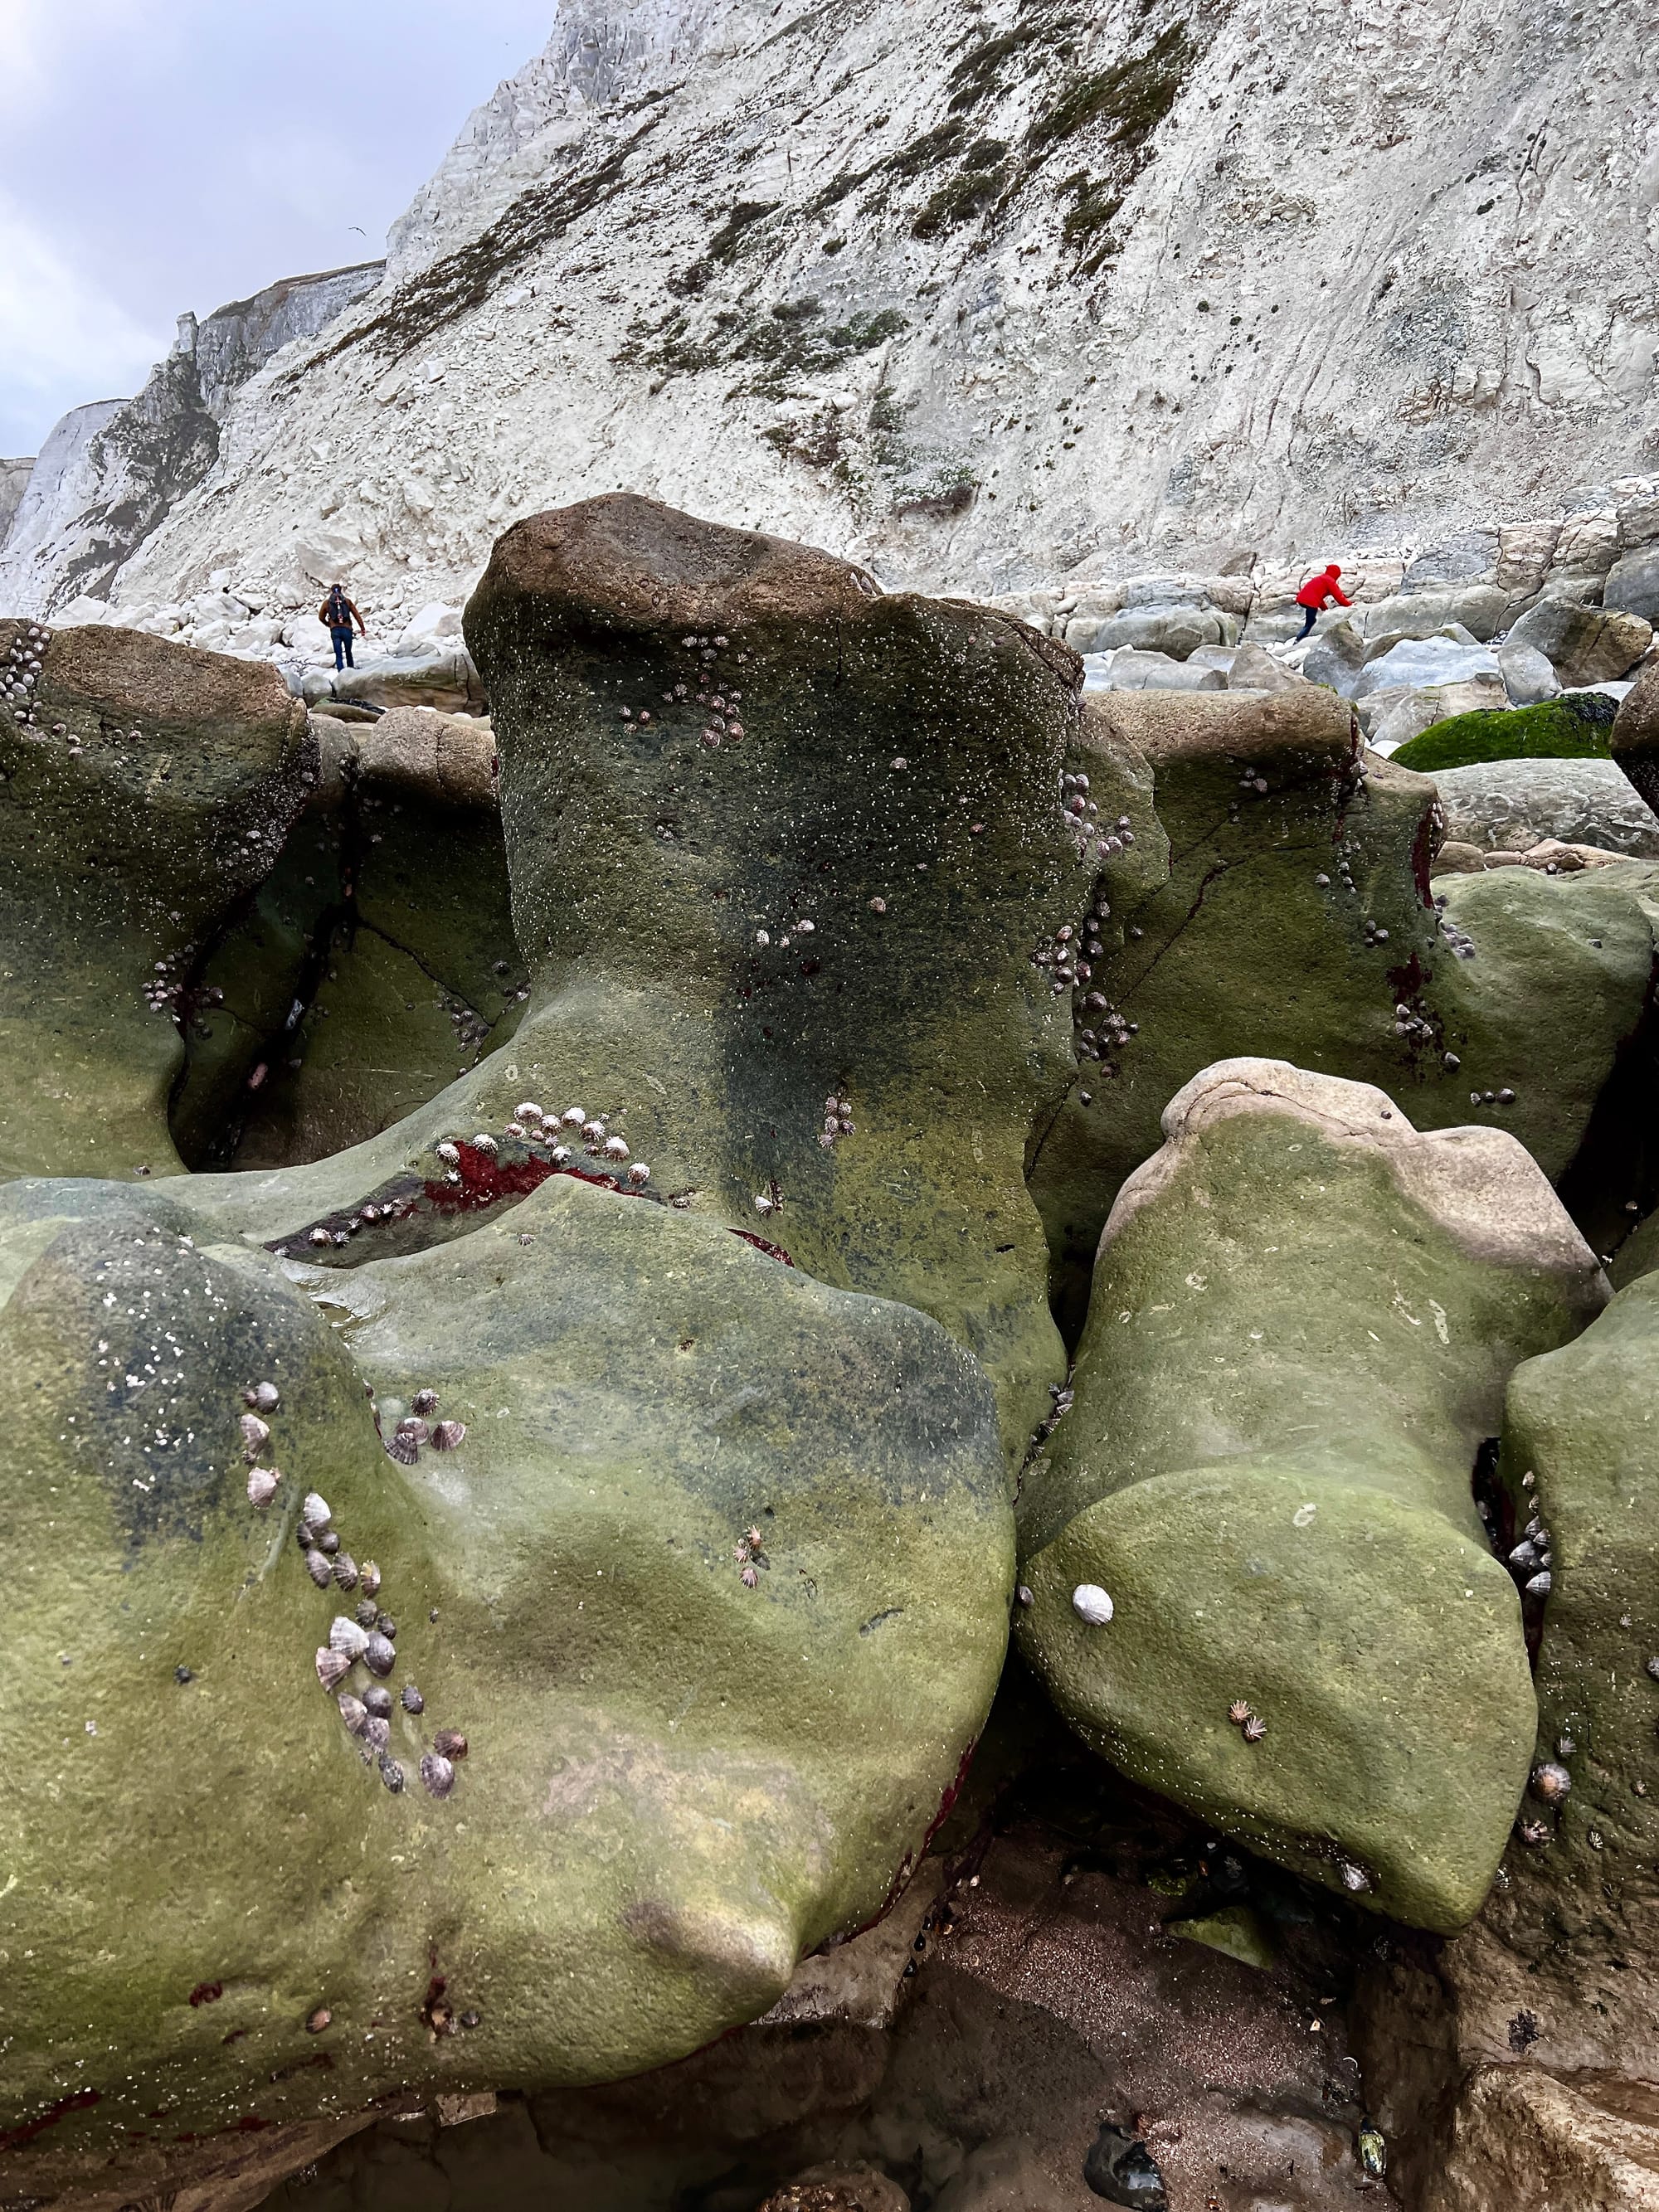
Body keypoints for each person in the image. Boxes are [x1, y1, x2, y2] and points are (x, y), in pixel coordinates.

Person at [1293, 564, 1352, 639]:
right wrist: (1350, 605)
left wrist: (1325, 609)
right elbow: (1339, 597)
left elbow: (1318, 596)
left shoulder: (1321, 578)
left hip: (1302, 599)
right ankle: (1298, 639)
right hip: (1311, 602)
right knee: (1310, 623)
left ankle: (1302, 637)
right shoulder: (1329, 580)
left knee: (1311, 620)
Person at [319, 581, 367, 669]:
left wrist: (329, 625)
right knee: (348, 652)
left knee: (338, 654)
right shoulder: (347, 601)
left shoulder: (326, 603)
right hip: (347, 629)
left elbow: (321, 617)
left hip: (335, 631)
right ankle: (351, 671)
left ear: (331, 591)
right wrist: (362, 628)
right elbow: (357, 616)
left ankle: (341, 674)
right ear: (341, 591)